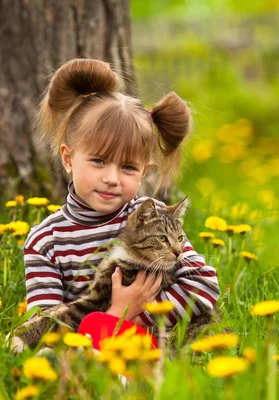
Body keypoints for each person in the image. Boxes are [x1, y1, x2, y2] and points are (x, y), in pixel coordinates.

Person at [23, 58, 219, 330]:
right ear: (68, 159)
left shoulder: (151, 221)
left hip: (148, 346)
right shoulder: (46, 240)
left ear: (144, 172)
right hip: (83, 350)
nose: (112, 179)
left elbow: (205, 284)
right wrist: (117, 314)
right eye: (98, 161)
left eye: (127, 167)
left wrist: (145, 315)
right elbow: (42, 325)